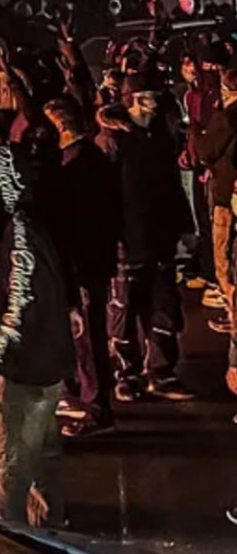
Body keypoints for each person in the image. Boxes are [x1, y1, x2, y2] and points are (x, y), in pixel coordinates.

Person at [0, 145, 74, 527]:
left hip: (24, 370)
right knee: (43, 456)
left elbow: (19, 302)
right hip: (46, 361)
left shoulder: (19, 234)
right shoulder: (31, 222)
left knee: (7, 468)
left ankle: (10, 547)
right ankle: (49, 534)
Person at [96, 87, 196, 403]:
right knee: (123, 312)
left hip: (160, 238)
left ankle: (162, 373)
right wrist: (109, 237)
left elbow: (172, 184)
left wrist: (185, 227)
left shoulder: (161, 136)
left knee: (164, 308)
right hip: (127, 241)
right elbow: (103, 194)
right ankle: (127, 374)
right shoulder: (112, 141)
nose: (152, 103)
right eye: (145, 95)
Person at [44, 100, 122, 438]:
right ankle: (87, 399)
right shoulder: (91, 159)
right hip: (91, 262)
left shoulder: (76, 167)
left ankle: (96, 408)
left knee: (87, 337)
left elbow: (79, 223)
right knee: (85, 336)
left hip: (83, 266)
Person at [196, 68, 237, 332]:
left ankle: (233, 314)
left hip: (227, 197)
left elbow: (206, 151)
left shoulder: (227, 118)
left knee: (225, 260)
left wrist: (199, 137)